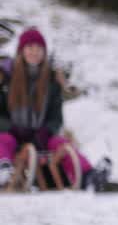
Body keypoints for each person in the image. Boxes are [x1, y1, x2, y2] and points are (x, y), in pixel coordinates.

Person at [0, 27, 111, 192]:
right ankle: (3, 169)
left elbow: (56, 118)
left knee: (61, 143)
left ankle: (88, 176)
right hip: (12, 135)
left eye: (39, 48)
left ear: (44, 52)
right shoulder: (5, 77)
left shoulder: (52, 81)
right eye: (30, 48)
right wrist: (11, 128)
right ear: (21, 51)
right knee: (3, 140)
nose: (34, 52)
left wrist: (46, 131)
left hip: (40, 136)